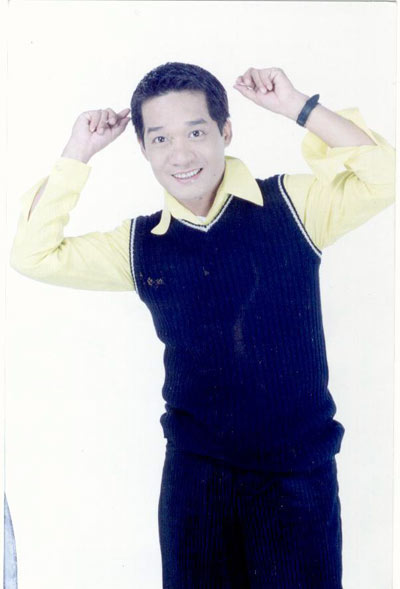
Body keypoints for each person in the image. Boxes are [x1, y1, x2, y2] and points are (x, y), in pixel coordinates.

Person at [10, 62, 395, 588]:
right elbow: (32, 255)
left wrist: (296, 106)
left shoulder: (293, 206)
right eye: (161, 139)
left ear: (225, 131)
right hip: (197, 483)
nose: (181, 154)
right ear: (143, 149)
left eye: (196, 132)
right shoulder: (138, 245)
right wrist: (78, 152)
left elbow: (385, 175)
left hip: (298, 477)